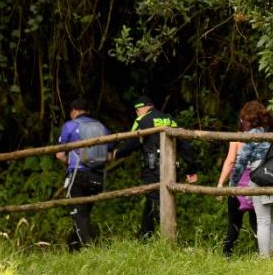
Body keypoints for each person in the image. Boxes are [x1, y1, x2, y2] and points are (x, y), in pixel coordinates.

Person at [112, 96, 198, 240]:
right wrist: (191, 168)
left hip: (152, 168)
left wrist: (118, 153)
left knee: (157, 201)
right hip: (171, 168)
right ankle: (145, 235)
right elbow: (184, 144)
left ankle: (170, 240)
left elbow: (132, 142)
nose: (137, 113)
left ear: (143, 108)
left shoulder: (142, 120)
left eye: (137, 110)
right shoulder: (169, 119)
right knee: (152, 200)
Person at [234, 100, 273, 258]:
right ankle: (271, 252)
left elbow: (241, 161)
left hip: (260, 177)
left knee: (262, 219)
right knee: (270, 218)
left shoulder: (252, 135)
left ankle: (264, 257)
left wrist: (233, 183)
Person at [55, 98, 111, 251]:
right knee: (83, 214)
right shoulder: (101, 127)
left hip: (78, 175)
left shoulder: (70, 126)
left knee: (79, 214)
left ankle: (89, 250)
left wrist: (69, 162)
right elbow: (109, 154)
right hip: (98, 177)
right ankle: (73, 249)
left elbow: (60, 154)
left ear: (73, 111)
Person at [215, 105, 258, 257]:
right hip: (257, 187)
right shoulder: (264, 137)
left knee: (233, 224)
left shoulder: (236, 138)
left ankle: (226, 255)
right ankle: (264, 255)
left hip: (237, 187)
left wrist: (220, 184)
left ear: (241, 120)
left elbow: (230, 162)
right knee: (258, 225)